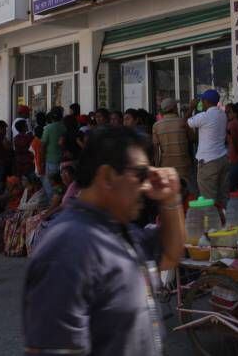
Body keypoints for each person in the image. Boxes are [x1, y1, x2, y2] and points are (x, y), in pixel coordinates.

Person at [22, 127, 185, 355]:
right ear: (107, 177)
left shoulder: (119, 229)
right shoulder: (68, 247)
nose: (147, 186)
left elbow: (169, 255)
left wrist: (171, 199)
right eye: (139, 175)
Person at [187, 89, 230, 207]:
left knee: (209, 199)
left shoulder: (204, 116)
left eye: (201, 101)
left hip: (208, 162)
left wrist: (191, 107)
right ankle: (227, 222)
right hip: (222, 158)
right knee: (224, 196)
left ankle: (214, 224)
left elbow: (186, 123)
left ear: (205, 101)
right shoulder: (222, 115)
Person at [152, 97, 193, 181]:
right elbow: (193, 138)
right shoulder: (183, 122)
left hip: (166, 167)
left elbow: (156, 150)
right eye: (176, 107)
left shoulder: (156, 126)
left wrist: (156, 167)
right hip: (184, 166)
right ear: (174, 108)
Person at [41, 107, 66, 197]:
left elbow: (43, 145)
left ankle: (53, 202)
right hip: (63, 159)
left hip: (51, 160)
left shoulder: (48, 128)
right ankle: (59, 201)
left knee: (51, 183)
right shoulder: (64, 127)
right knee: (61, 182)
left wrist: (42, 160)